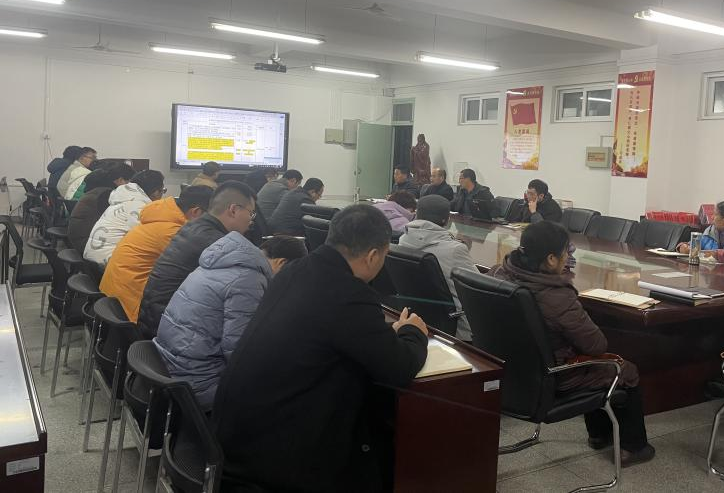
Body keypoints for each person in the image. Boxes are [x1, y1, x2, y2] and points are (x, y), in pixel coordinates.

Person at [212, 204, 429, 492]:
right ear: (373, 256)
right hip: (277, 458)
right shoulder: (348, 292)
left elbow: (332, 330)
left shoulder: (296, 269)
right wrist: (413, 331)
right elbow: (399, 367)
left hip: (236, 437)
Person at [488, 221, 654, 467]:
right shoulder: (556, 296)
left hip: (511, 373)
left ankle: (600, 435)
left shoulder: (498, 273)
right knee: (624, 370)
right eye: (566, 252)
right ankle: (634, 447)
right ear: (551, 259)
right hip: (554, 378)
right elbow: (596, 345)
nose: (568, 257)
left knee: (591, 362)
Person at [155, 234, 307, 411]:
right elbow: (239, 353)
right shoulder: (249, 280)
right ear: (281, 263)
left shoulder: (223, 263)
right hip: (198, 382)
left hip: (169, 364)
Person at [137, 181, 257, 339]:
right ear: (233, 210)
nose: (251, 220)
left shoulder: (193, 227)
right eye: (251, 213)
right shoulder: (218, 243)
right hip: (167, 329)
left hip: (153, 319)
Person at [99, 185, 213, 322]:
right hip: (132, 307)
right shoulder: (173, 232)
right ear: (196, 212)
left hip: (115, 297)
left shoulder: (158, 220)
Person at [399, 194, 477, 341]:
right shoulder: (456, 250)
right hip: (458, 330)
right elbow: (476, 290)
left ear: (417, 214)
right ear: (447, 220)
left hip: (418, 318)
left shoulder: (403, 240)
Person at [84, 170, 165, 267]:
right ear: (156, 192)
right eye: (163, 191)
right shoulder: (140, 207)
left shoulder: (122, 200)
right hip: (110, 263)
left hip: (95, 258)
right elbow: (149, 240)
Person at [67, 162, 134, 254]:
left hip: (82, 238)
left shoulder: (100, 189)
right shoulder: (107, 195)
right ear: (120, 180)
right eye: (129, 182)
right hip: (87, 243)